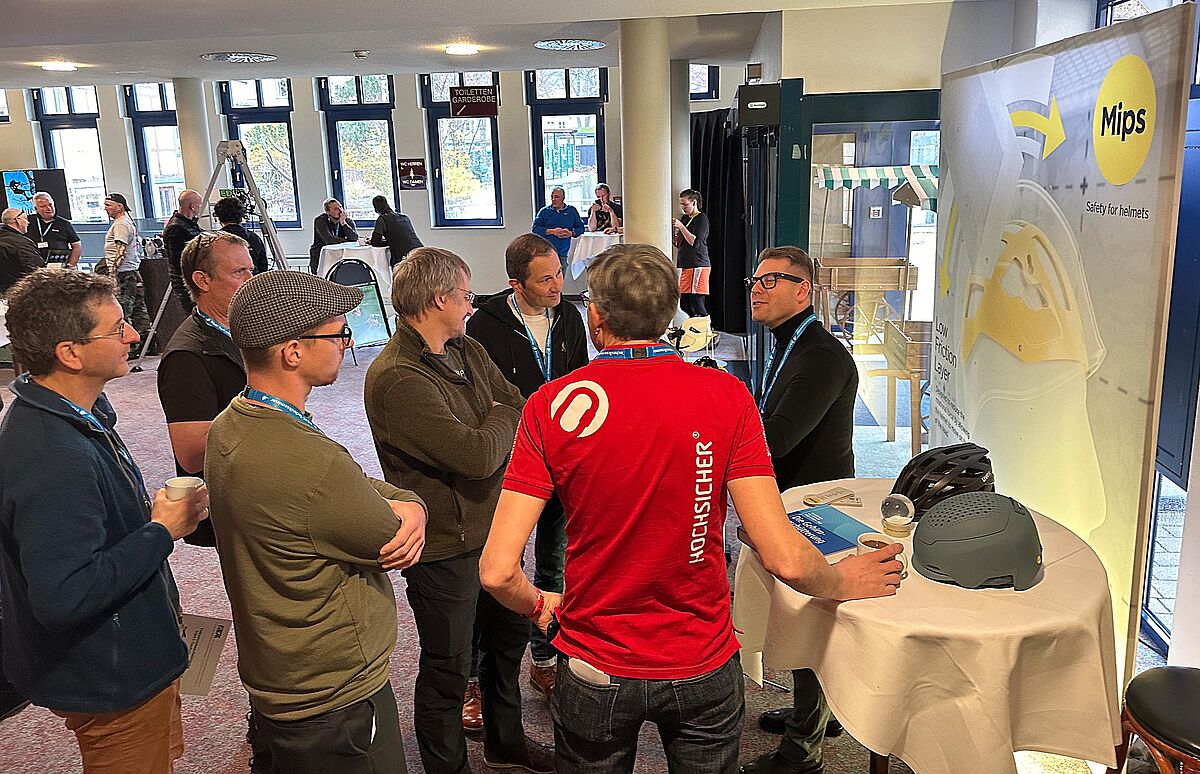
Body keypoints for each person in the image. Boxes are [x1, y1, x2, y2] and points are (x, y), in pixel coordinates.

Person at [479, 243, 902, 774]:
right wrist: (841, 581)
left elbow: (497, 571)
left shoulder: (550, 405)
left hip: (593, 660)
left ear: (596, 317)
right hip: (701, 659)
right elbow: (784, 557)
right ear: (669, 313)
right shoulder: (726, 396)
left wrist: (540, 607)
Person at [205, 270, 427, 774]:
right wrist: (414, 505)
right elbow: (388, 535)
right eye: (337, 334)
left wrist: (404, 500)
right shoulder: (311, 461)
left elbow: (351, 486)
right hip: (335, 692)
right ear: (293, 352)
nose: (346, 344)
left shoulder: (230, 425)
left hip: (279, 673)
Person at [0, 268, 209, 773]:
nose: (134, 335)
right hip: (111, 674)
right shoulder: (53, 453)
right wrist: (161, 531)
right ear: (70, 353)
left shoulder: (78, 416)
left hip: (129, 653)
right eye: (116, 329)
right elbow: (66, 595)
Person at [364, 247, 552, 774]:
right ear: (438, 299)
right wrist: (499, 418)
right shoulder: (398, 376)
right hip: (446, 546)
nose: (473, 305)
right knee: (448, 668)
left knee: (507, 645)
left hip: (496, 532)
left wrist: (498, 416)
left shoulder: (464, 348)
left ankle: (505, 743)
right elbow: (475, 456)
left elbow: (518, 402)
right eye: (467, 295)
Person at [741, 246, 860, 774]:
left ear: (803, 290)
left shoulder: (821, 356)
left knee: (808, 616)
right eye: (755, 279)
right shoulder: (789, 344)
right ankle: (817, 715)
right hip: (796, 499)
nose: (757, 288)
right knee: (801, 616)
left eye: (771, 280)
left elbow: (779, 438)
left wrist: (721, 417)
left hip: (818, 507)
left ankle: (802, 753)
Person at [466, 233, 589, 701]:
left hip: (563, 460)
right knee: (501, 568)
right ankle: (479, 678)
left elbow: (582, 384)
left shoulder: (569, 316)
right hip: (512, 464)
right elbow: (483, 399)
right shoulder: (484, 326)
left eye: (558, 274)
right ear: (515, 283)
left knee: (555, 566)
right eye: (545, 280)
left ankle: (545, 659)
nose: (557, 286)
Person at [156, 231, 254, 548]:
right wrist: (265, 415)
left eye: (250, 270)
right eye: (239, 272)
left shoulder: (242, 329)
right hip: (233, 504)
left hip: (259, 487)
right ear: (203, 280)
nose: (250, 280)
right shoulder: (187, 356)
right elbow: (191, 455)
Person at [101, 193, 151, 356]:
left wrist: (113, 273)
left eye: (108, 205)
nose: (106, 208)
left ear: (119, 206)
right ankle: (148, 344)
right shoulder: (127, 222)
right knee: (138, 309)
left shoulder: (121, 224)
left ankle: (132, 348)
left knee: (124, 310)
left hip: (124, 273)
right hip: (131, 272)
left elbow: (120, 250)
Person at [163, 189, 205, 310]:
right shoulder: (176, 228)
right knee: (194, 314)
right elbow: (178, 261)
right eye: (199, 205)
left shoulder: (189, 224)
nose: (200, 208)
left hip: (193, 278)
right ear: (192, 206)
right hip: (186, 283)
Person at [673, 188, 711, 318]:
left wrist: (681, 227)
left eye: (685, 204)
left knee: (697, 301)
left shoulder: (701, 218)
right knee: (684, 303)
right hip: (687, 264)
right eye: (681, 204)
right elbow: (680, 243)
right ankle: (695, 323)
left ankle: (705, 325)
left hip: (698, 264)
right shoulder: (685, 218)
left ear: (694, 202)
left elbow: (695, 242)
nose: (683, 208)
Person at [532, 187, 585, 271]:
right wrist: (552, 231)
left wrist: (571, 233)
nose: (553, 199)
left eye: (556, 197)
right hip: (546, 252)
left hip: (562, 253)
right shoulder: (544, 211)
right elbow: (535, 229)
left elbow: (581, 228)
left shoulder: (571, 211)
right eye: (552, 197)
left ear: (563, 198)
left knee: (561, 277)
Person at [214, 196, 270, 274]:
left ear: (218, 217)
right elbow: (263, 268)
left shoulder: (214, 241)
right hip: (254, 280)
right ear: (241, 216)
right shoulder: (254, 238)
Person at [26, 192, 82, 267]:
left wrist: (71, 265)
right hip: (34, 266)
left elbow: (76, 245)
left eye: (50, 204)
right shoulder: (27, 222)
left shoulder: (64, 223)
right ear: (36, 209)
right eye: (43, 206)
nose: (48, 208)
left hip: (58, 266)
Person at [369, 194, 423, 266]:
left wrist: (388, 242)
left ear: (376, 209)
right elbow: (404, 237)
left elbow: (375, 242)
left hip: (404, 257)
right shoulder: (404, 217)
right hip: (420, 251)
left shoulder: (382, 219)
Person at [309, 198, 359, 274]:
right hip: (320, 256)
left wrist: (343, 223)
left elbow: (354, 238)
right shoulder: (320, 220)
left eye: (340, 207)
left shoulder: (347, 221)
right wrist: (347, 241)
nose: (340, 210)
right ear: (328, 212)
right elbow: (329, 240)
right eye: (336, 209)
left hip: (340, 257)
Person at [0, 208, 43, 296]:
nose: (28, 223)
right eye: (25, 219)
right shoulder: (21, 243)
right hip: (19, 292)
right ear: (18, 220)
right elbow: (37, 270)